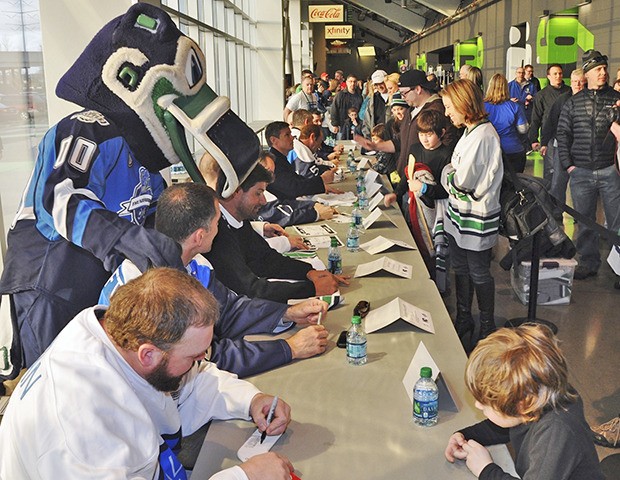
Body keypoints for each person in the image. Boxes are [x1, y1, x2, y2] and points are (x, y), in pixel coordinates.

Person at [0, 3, 261, 380]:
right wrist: (128, 238)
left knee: (105, 378)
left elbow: (154, 210)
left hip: (98, 278)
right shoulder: (85, 128)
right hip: (52, 278)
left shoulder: (143, 152)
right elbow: (61, 198)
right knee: (60, 382)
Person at [0, 268, 297, 479]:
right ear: (148, 354)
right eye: (194, 355)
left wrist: (251, 400)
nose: (201, 361)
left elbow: (194, 379)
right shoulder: (77, 423)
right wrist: (244, 477)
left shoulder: (120, 334)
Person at [99, 182, 329, 378]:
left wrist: (286, 313)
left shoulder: (193, 264)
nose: (220, 229)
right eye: (218, 222)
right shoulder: (150, 291)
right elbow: (203, 357)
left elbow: (229, 309)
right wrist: (288, 348)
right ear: (200, 236)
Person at [445, 324, 604, 479]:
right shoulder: (539, 392)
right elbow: (506, 425)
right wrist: (466, 435)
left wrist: (485, 470)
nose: (477, 405)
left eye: (486, 402)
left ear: (523, 404)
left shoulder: (556, 432)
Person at [203, 159, 349, 302]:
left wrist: (309, 273)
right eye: (258, 193)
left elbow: (267, 258)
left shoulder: (237, 219)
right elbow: (250, 289)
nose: (264, 201)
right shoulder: (217, 233)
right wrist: (311, 289)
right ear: (236, 192)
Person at [440, 79, 503, 348]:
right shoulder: (470, 130)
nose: (446, 113)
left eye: (449, 107)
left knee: (478, 271)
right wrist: (450, 174)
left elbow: (460, 181)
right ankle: (464, 315)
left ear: (464, 104)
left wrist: (447, 175)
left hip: (475, 216)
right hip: (459, 214)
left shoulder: (482, 135)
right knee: (461, 266)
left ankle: (487, 325)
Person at [556, 49, 620, 282]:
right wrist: (569, 165)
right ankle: (588, 261)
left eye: (604, 68)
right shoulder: (574, 103)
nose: (603, 73)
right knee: (584, 220)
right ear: (588, 74)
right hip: (581, 170)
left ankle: (619, 267)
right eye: (598, 69)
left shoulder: (616, 99)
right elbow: (562, 134)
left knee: (616, 222)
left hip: (609, 170)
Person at [384, 109, 451, 280]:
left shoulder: (446, 155)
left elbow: (446, 191)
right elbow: (407, 176)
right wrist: (396, 194)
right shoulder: (415, 149)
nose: (425, 139)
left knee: (434, 249)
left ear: (441, 133)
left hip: (436, 212)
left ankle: (436, 283)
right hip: (413, 206)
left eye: (429, 134)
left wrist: (423, 188)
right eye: (421, 134)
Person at [539, 69, 586, 211]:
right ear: (570, 83)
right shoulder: (562, 100)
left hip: (583, 147)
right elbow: (550, 121)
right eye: (574, 82)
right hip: (562, 146)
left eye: (581, 82)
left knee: (581, 183)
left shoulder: (590, 100)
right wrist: (544, 143)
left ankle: (582, 215)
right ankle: (556, 212)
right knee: (558, 181)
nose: (577, 85)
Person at [256, 151, 334, 227]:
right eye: (268, 172)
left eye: (272, 173)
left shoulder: (267, 187)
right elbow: (279, 216)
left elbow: (285, 203)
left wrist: (313, 204)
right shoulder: (254, 193)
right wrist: (316, 214)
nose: (271, 178)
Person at [265, 121, 341, 199]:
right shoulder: (272, 163)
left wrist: (320, 187)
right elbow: (293, 188)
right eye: (287, 135)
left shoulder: (280, 158)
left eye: (290, 134)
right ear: (273, 140)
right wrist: (322, 180)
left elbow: (297, 179)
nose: (292, 137)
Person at [528, 64, 570, 182]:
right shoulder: (542, 95)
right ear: (548, 76)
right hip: (550, 137)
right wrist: (534, 139)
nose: (558, 76)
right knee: (550, 172)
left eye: (560, 74)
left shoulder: (569, 92)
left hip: (568, 136)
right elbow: (536, 118)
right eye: (555, 74)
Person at [484, 73, 529, 173]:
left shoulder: (482, 107)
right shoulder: (514, 106)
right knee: (515, 183)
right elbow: (523, 129)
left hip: (490, 151)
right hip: (514, 150)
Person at [329, 74, 363, 139]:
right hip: (342, 126)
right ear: (346, 82)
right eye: (350, 81)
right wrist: (335, 124)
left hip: (356, 126)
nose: (352, 83)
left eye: (354, 81)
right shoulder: (340, 95)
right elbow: (334, 109)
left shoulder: (359, 96)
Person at [362, 69, 390, 137]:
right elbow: (367, 121)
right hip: (377, 139)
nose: (379, 87)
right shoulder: (373, 100)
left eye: (381, 83)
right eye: (376, 84)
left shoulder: (395, 97)